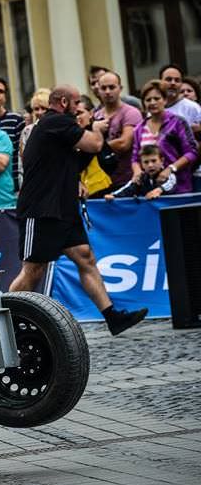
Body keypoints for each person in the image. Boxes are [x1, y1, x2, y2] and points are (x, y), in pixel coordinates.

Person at [11, 84, 147, 336]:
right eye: (76, 104)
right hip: (40, 209)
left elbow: (81, 157)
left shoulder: (60, 128)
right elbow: (94, 144)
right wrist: (95, 128)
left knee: (85, 257)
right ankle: (3, 318)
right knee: (33, 270)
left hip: (63, 208)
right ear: (63, 102)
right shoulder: (54, 122)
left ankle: (112, 316)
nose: (79, 109)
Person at [132, 80, 198, 194]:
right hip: (149, 191)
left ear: (165, 100)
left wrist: (171, 169)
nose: (152, 102)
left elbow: (192, 152)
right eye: (148, 100)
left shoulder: (178, 122)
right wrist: (137, 171)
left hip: (178, 188)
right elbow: (135, 158)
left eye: (157, 98)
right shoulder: (139, 128)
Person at [93, 71, 143, 189]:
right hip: (102, 181)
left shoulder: (131, 112)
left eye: (112, 87)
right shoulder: (95, 115)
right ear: (98, 91)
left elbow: (124, 143)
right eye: (103, 88)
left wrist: (97, 146)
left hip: (127, 179)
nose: (107, 92)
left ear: (120, 88)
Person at [0, 77, 25, 191]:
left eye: (1, 91)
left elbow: (21, 154)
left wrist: (19, 184)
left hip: (12, 185)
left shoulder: (16, 120)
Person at [75, 96, 114, 198]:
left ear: (91, 113)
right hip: (78, 193)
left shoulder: (99, 130)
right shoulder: (69, 136)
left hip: (101, 191)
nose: (76, 118)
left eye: (80, 113)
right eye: (73, 114)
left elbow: (112, 164)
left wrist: (93, 128)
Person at [105, 145, 176, 200]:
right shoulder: (140, 178)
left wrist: (159, 190)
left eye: (154, 161)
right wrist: (113, 195)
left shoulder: (169, 175)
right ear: (141, 164)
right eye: (146, 162)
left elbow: (172, 183)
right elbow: (127, 188)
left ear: (162, 161)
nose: (150, 165)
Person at [159, 64, 201, 134]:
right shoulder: (154, 107)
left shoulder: (192, 107)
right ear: (160, 82)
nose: (173, 83)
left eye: (177, 80)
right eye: (168, 79)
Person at [19, 88, 51, 162]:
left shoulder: (59, 128)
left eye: (43, 108)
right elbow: (23, 159)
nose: (40, 112)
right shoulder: (27, 131)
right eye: (36, 109)